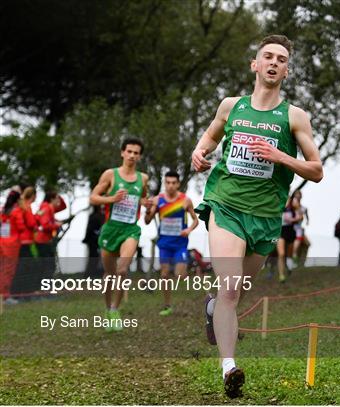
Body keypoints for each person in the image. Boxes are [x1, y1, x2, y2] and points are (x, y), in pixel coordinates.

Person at [191, 35, 323, 398]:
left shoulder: (294, 116)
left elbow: (316, 169)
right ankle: (229, 367)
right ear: (255, 64)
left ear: (286, 71)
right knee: (232, 285)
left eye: (281, 59)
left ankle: (213, 308)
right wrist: (199, 153)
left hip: (265, 217)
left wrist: (280, 156)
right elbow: (208, 139)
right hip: (226, 205)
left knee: (234, 293)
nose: (274, 62)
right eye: (268, 56)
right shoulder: (230, 106)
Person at [89, 138, 151, 332]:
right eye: (129, 151)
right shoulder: (111, 175)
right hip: (111, 229)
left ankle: (116, 309)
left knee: (122, 269)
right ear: (122, 153)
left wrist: (146, 205)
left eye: (136, 153)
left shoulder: (143, 178)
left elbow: (143, 197)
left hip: (130, 229)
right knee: (109, 274)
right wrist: (111, 199)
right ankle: (108, 309)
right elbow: (93, 197)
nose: (132, 155)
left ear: (139, 156)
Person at [144, 170, 199, 316]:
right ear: (164, 183)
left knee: (180, 275)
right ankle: (167, 305)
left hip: (180, 243)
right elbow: (147, 221)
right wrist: (148, 211)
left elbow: (195, 220)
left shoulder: (185, 200)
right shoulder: (157, 200)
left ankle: (192, 272)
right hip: (164, 244)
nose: (170, 186)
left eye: (174, 183)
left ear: (178, 184)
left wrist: (188, 230)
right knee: (164, 275)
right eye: (168, 183)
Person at [9, 187, 38, 294]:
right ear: (34, 195)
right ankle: (22, 291)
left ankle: (21, 291)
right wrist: (36, 223)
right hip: (26, 241)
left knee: (21, 266)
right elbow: (31, 224)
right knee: (25, 267)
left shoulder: (19, 206)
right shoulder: (26, 207)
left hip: (18, 241)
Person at [35, 190, 67, 281]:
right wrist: (56, 225)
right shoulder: (46, 208)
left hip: (45, 241)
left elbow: (63, 206)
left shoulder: (49, 207)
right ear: (51, 199)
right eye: (57, 198)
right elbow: (45, 225)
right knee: (48, 266)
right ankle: (43, 288)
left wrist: (58, 195)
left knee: (48, 265)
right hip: (43, 241)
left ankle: (44, 288)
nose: (59, 201)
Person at [0, 190, 22, 302]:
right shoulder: (16, 211)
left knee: (2, 270)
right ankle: (4, 296)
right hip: (12, 246)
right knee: (8, 271)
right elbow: (21, 227)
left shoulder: (3, 211)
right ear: (18, 199)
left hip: (2, 243)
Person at [277, 196, 303, 283]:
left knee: (289, 254)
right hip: (280, 231)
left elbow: (301, 217)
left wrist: (293, 218)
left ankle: (289, 266)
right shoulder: (279, 201)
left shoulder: (293, 204)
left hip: (291, 232)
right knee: (281, 254)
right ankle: (281, 275)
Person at [83, 205, 105, 278]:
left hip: (98, 240)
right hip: (93, 241)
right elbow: (89, 229)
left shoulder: (101, 216)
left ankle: (93, 274)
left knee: (98, 257)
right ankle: (90, 275)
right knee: (94, 257)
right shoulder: (96, 216)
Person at [291, 190, 310, 267]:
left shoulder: (304, 208)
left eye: (299, 195)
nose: (298, 196)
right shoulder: (290, 206)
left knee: (307, 244)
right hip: (290, 229)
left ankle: (301, 263)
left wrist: (307, 221)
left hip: (299, 229)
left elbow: (306, 217)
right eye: (296, 195)